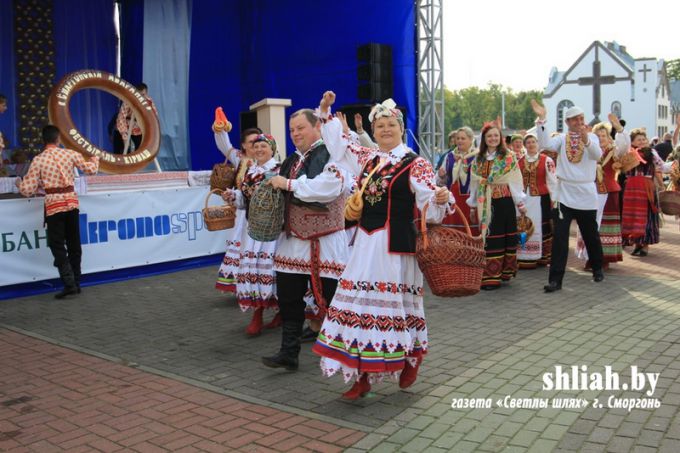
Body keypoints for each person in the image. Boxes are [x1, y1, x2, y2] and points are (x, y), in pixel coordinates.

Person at [312, 91, 453, 399]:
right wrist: (325, 110)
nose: (385, 130)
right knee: (359, 306)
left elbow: (431, 204)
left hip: (396, 248)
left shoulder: (416, 164)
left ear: (401, 128)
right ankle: (362, 377)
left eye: (391, 124)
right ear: (373, 132)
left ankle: (411, 358)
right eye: (380, 126)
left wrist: (441, 199)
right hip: (364, 244)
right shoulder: (368, 158)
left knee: (399, 309)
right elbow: (338, 145)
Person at [261, 107, 350, 371]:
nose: (295, 133)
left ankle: (345, 353)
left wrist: (287, 185)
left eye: (300, 128)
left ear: (317, 127)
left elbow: (326, 189)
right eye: (292, 130)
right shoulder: (291, 160)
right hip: (294, 240)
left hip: (326, 240)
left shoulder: (332, 154)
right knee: (289, 297)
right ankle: (289, 353)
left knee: (335, 299)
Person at [17, 125, 99, 298]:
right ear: (58, 139)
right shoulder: (69, 154)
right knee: (74, 243)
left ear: (43, 140)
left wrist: (19, 184)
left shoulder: (39, 160)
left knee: (57, 244)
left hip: (54, 205)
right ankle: (76, 282)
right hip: (71, 202)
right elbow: (91, 170)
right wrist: (95, 158)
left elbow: (27, 189)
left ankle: (69, 283)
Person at [531, 101, 605, 293]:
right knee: (561, 238)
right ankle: (556, 280)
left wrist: (586, 139)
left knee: (591, 234)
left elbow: (597, 155)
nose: (579, 122)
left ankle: (597, 267)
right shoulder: (562, 139)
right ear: (568, 122)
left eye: (581, 118)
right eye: (575, 119)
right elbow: (545, 144)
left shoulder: (593, 138)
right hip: (565, 194)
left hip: (586, 193)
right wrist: (542, 119)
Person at [222, 134, 281, 336]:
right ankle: (259, 314)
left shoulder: (278, 170)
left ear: (272, 149)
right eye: (256, 147)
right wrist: (234, 196)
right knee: (254, 271)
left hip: (272, 231)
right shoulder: (251, 171)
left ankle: (273, 312)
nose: (259, 150)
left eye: (263, 146)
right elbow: (245, 199)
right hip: (252, 229)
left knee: (270, 271)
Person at [213, 116, 263, 331]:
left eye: (258, 141)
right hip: (242, 214)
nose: (254, 146)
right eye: (251, 142)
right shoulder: (240, 160)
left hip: (260, 218)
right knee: (240, 247)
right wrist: (220, 128)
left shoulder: (268, 162)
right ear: (243, 145)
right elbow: (224, 145)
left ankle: (257, 291)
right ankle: (243, 285)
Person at [467, 122, 526, 290]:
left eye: (496, 136)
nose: (493, 138)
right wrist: (472, 205)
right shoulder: (478, 159)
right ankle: (491, 276)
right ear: (484, 139)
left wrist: (520, 202)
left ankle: (504, 273)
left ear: (500, 138)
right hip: (485, 203)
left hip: (504, 201)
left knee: (505, 236)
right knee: (490, 237)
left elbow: (514, 180)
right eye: (489, 136)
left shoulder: (508, 156)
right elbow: (474, 184)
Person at [576, 116, 630, 269]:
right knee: (588, 224)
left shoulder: (614, 151)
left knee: (605, 225)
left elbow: (624, 145)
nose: (601, 138)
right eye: (598, 136)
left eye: (603, 135)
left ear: (608, 137)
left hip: (608, 191)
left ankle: (603, 258)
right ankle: (589, 256)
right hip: (589, 191)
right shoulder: (587, 151)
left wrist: (618, 128)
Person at [621, 130, 664, 256]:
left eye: (644, 139)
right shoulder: (628, 153)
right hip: (631, 189)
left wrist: (672, 166)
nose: (642, 142)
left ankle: (645, 245)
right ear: (632, 141)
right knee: (633, 216)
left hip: (646, 188)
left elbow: (660, 166)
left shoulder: (652, 153)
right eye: (639, 139)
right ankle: (637, 243)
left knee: (647, 216)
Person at [517, 133, 556, 268]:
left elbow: (552, 181)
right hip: (524, 198)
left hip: (541, 198)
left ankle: (542, 256)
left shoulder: (547, 160)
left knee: (542, 225)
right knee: (524, 225)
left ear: (537, 144)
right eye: (528, 142)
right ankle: (524, 255)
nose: (531, 144)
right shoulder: (520, 161)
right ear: (525, 145)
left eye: (533, 142)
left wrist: (554, 199)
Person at [436, 126, 479, 235]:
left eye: (463, 138)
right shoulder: (449, 156)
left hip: (472, 200)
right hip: (453, 199)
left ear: (471, 140)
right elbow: (442, 181)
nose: (459, 141)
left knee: (470, 231)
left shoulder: (477, 156)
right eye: (458, 138)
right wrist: (441, 176)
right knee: (453, 233)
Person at [115, 83, 157, 154]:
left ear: (147, 94)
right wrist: (124, 136)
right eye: (139, 95)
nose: (141, 98)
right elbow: (121, 118)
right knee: (125, 151)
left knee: (139, 153)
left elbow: (154, 118)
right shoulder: (128, 101)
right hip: (126, 128)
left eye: (143, 95)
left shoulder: (149, 102)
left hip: (140, 130)